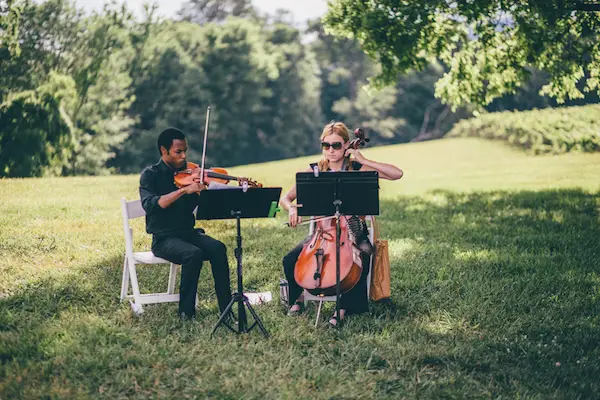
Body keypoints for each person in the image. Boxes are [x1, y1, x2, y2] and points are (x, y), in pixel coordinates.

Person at [280, 122, 403, 326]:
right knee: (289, 259)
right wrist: (291, 208)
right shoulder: (315, 170)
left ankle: (344, 307)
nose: (330, 151)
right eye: (326, 145)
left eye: (336, 145)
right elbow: (286, 198)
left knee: (359, 259)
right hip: (322, 234)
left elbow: (396, 174)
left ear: (347, 145)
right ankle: (298, 297)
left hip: (353, 231)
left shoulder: (357, 168)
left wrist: (364, 159)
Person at [139, 128, 232, 320]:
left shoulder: (189, 174)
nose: (184, 156)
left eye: (185, 151)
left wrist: (203, 192)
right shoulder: (150, 175)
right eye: (178, 152)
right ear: (163, 151)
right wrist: (184, 191)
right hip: (164, 238)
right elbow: (152, 204)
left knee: (218, 248)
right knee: (193, 254)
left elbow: (198, 208)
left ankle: (226, 307)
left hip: (188, 233)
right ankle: (186, 313)